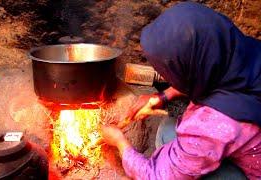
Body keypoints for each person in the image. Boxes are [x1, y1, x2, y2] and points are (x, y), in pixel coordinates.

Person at [101, 2, 261, 179]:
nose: (167, 77)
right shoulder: (242, 52)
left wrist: (120, 142)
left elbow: (155, 175)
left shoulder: (212, 125)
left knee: (166, 133)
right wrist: (163, 96)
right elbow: (212, 75)